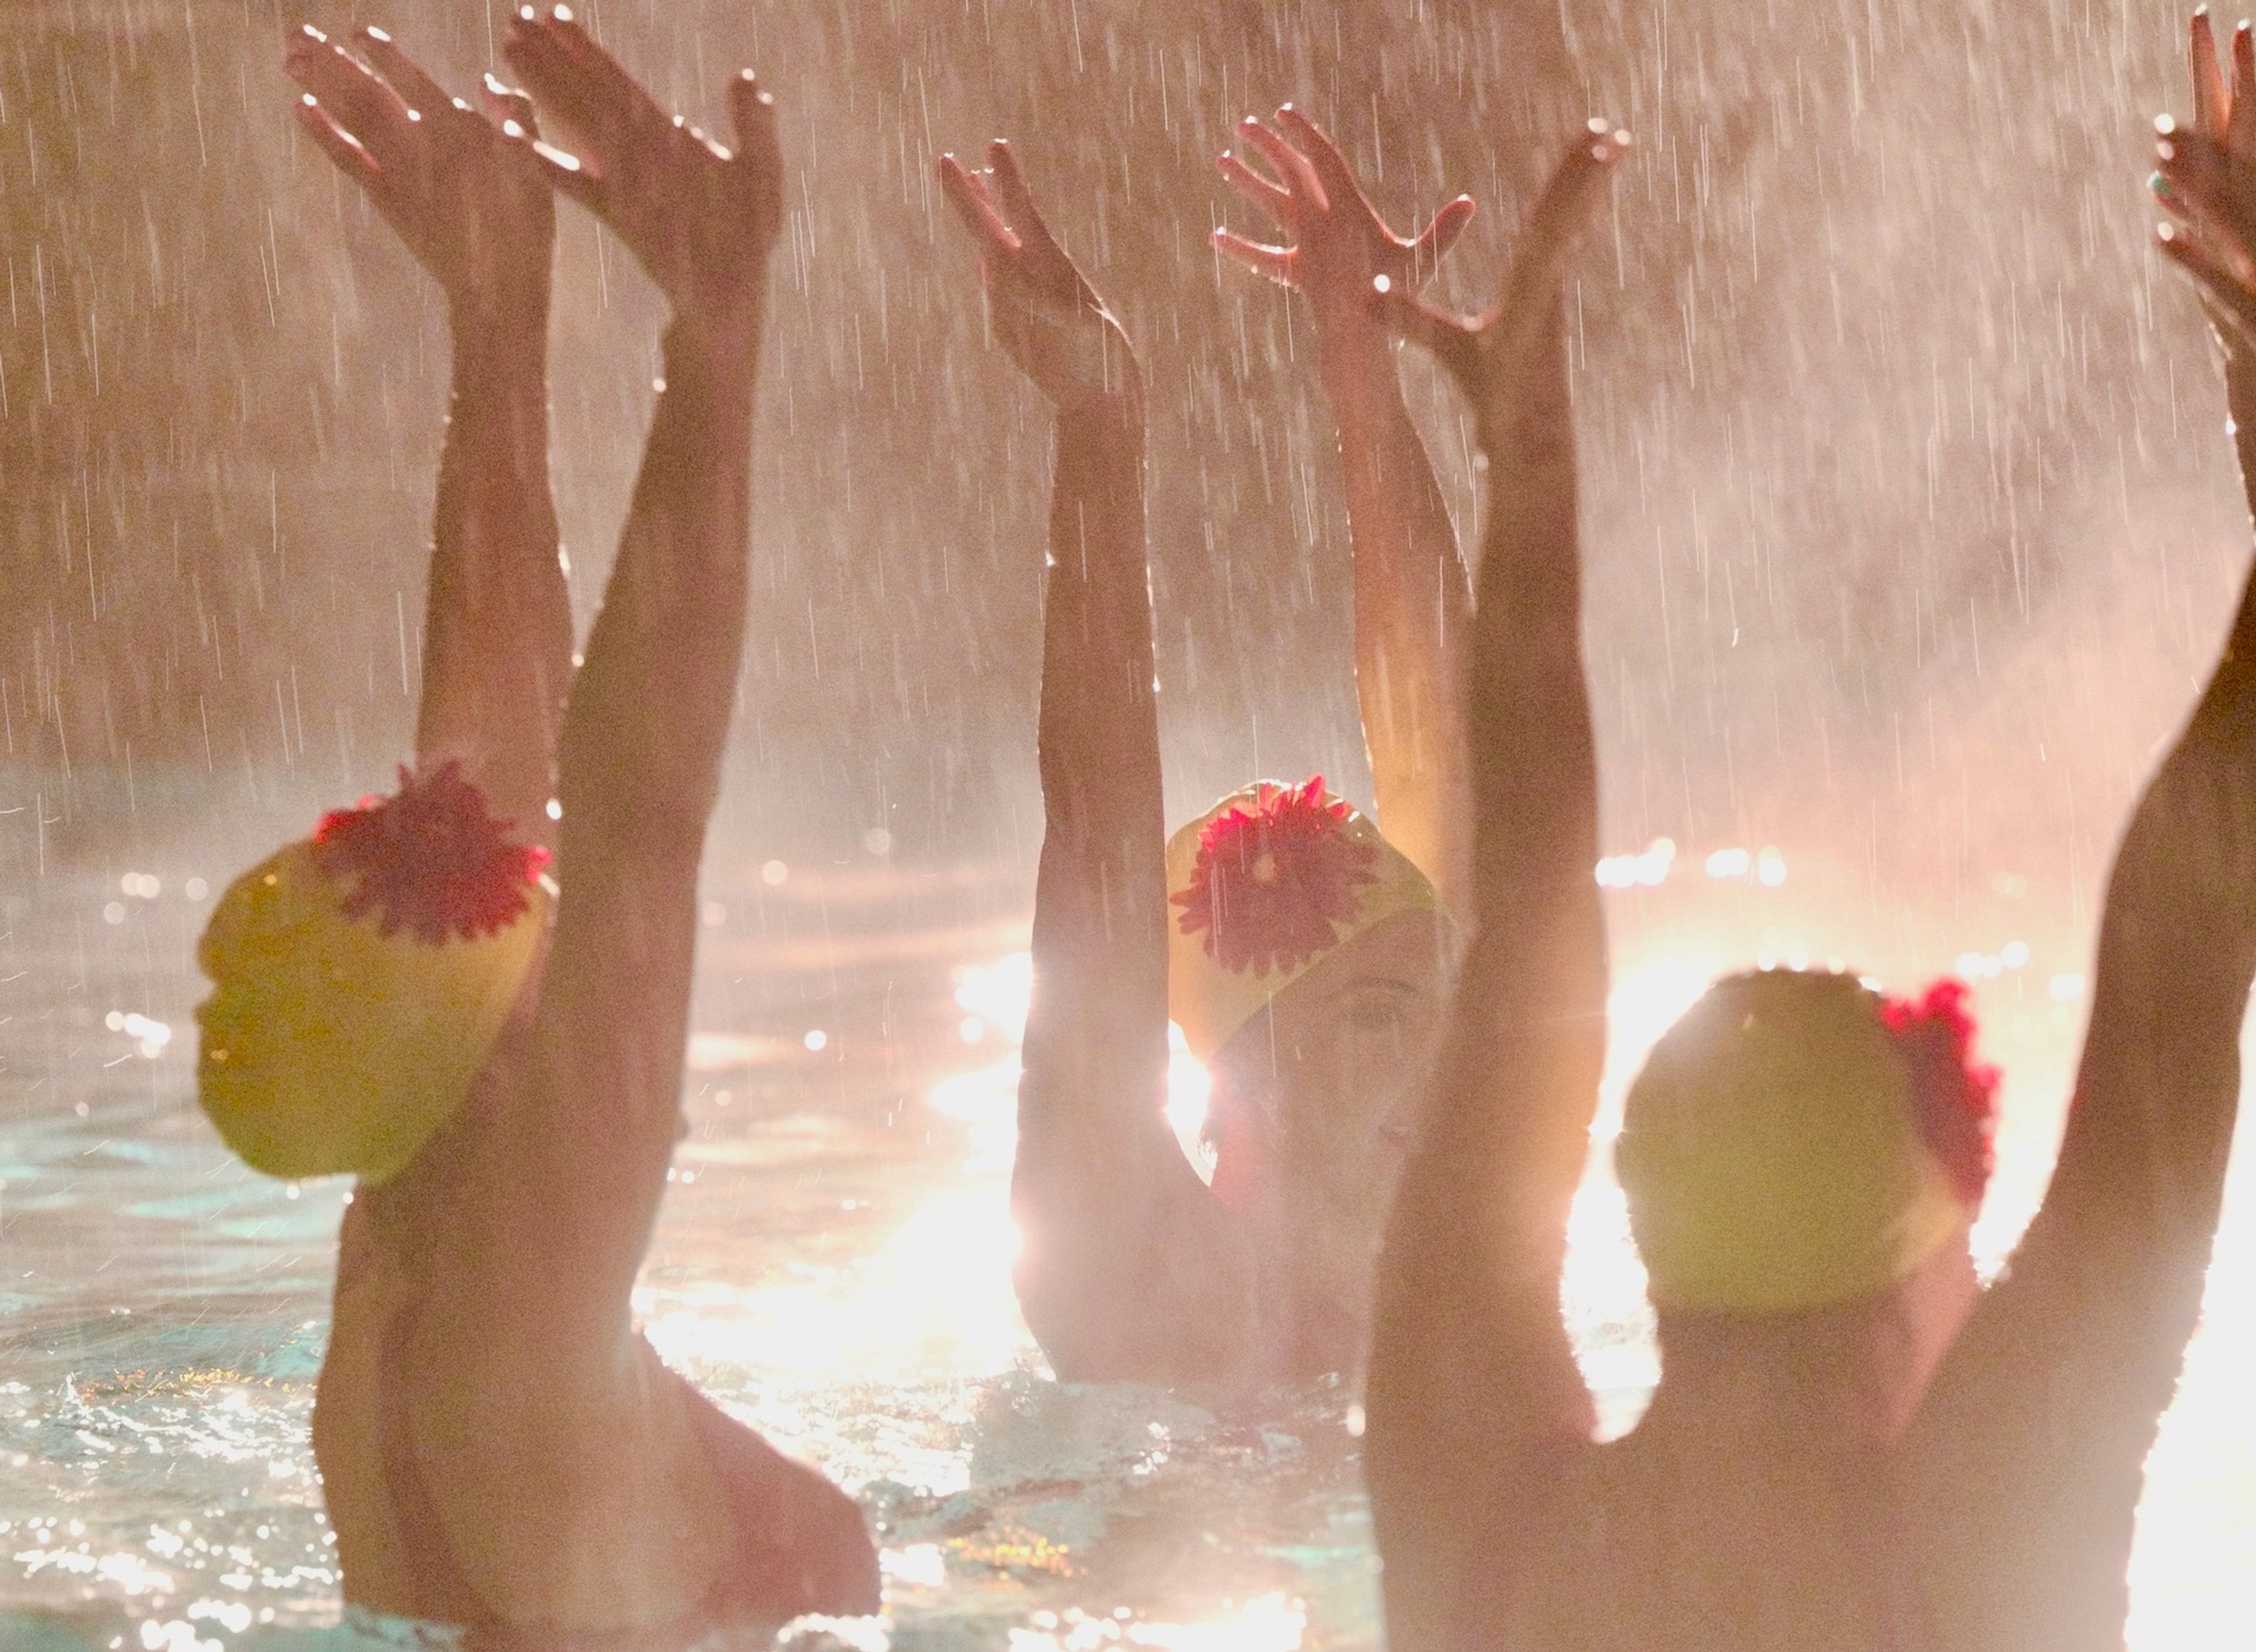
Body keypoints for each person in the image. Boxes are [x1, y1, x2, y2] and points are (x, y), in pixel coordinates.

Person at [1366, 15, 2256, 1648]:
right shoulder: (1984, 1549)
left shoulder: (1473, 1521)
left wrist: (1531, 475)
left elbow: (1524, 955)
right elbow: (2187, 939)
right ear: (1913, 1271)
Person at [196, 13, 878, 1643]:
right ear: (503, 1051)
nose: (557, 907)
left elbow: (497, 779)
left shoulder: (408, 1233)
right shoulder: (525, 1316)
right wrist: (715, 336)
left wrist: (498, 325)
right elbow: (644, 814)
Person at [936, 110, 1488, 1384]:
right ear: (1248, 1072)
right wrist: (1099, 427)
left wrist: (1361, 355)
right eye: (1381, 1017)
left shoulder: (1454, 1266)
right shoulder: (1136, 1271)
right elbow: (1094, 830)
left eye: (1436, 1011)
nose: (1440, 1060)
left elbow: (1443, 743)